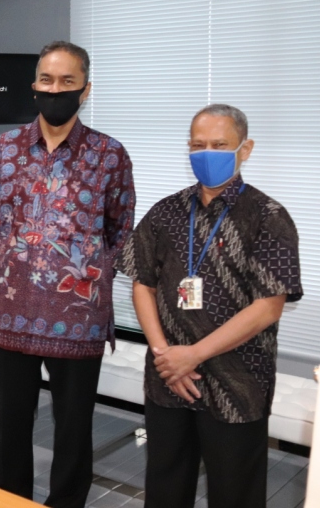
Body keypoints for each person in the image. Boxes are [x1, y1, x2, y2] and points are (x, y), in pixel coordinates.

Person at [116, 104, 301, 508]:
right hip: (169, 378)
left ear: (245, 149)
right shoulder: (166, 212)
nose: (207, 153)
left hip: (238, 383)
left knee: (235, 493)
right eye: (198, 145)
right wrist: (165, 354)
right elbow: (142, 283)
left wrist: (193, 355)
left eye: (219, 145)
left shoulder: (268, 217)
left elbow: (268, 306)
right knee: (165, 486)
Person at [0, 40, 135, 506]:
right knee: (12, 430)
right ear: (34, 85)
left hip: (77, 320)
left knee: (73, 431)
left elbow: (119, 230)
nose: (55, 89)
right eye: (47, 80)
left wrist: (84, 272)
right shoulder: (1, 150)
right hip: (8, 317)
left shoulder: (109, 155)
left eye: (68, 81)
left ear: (85, 89)